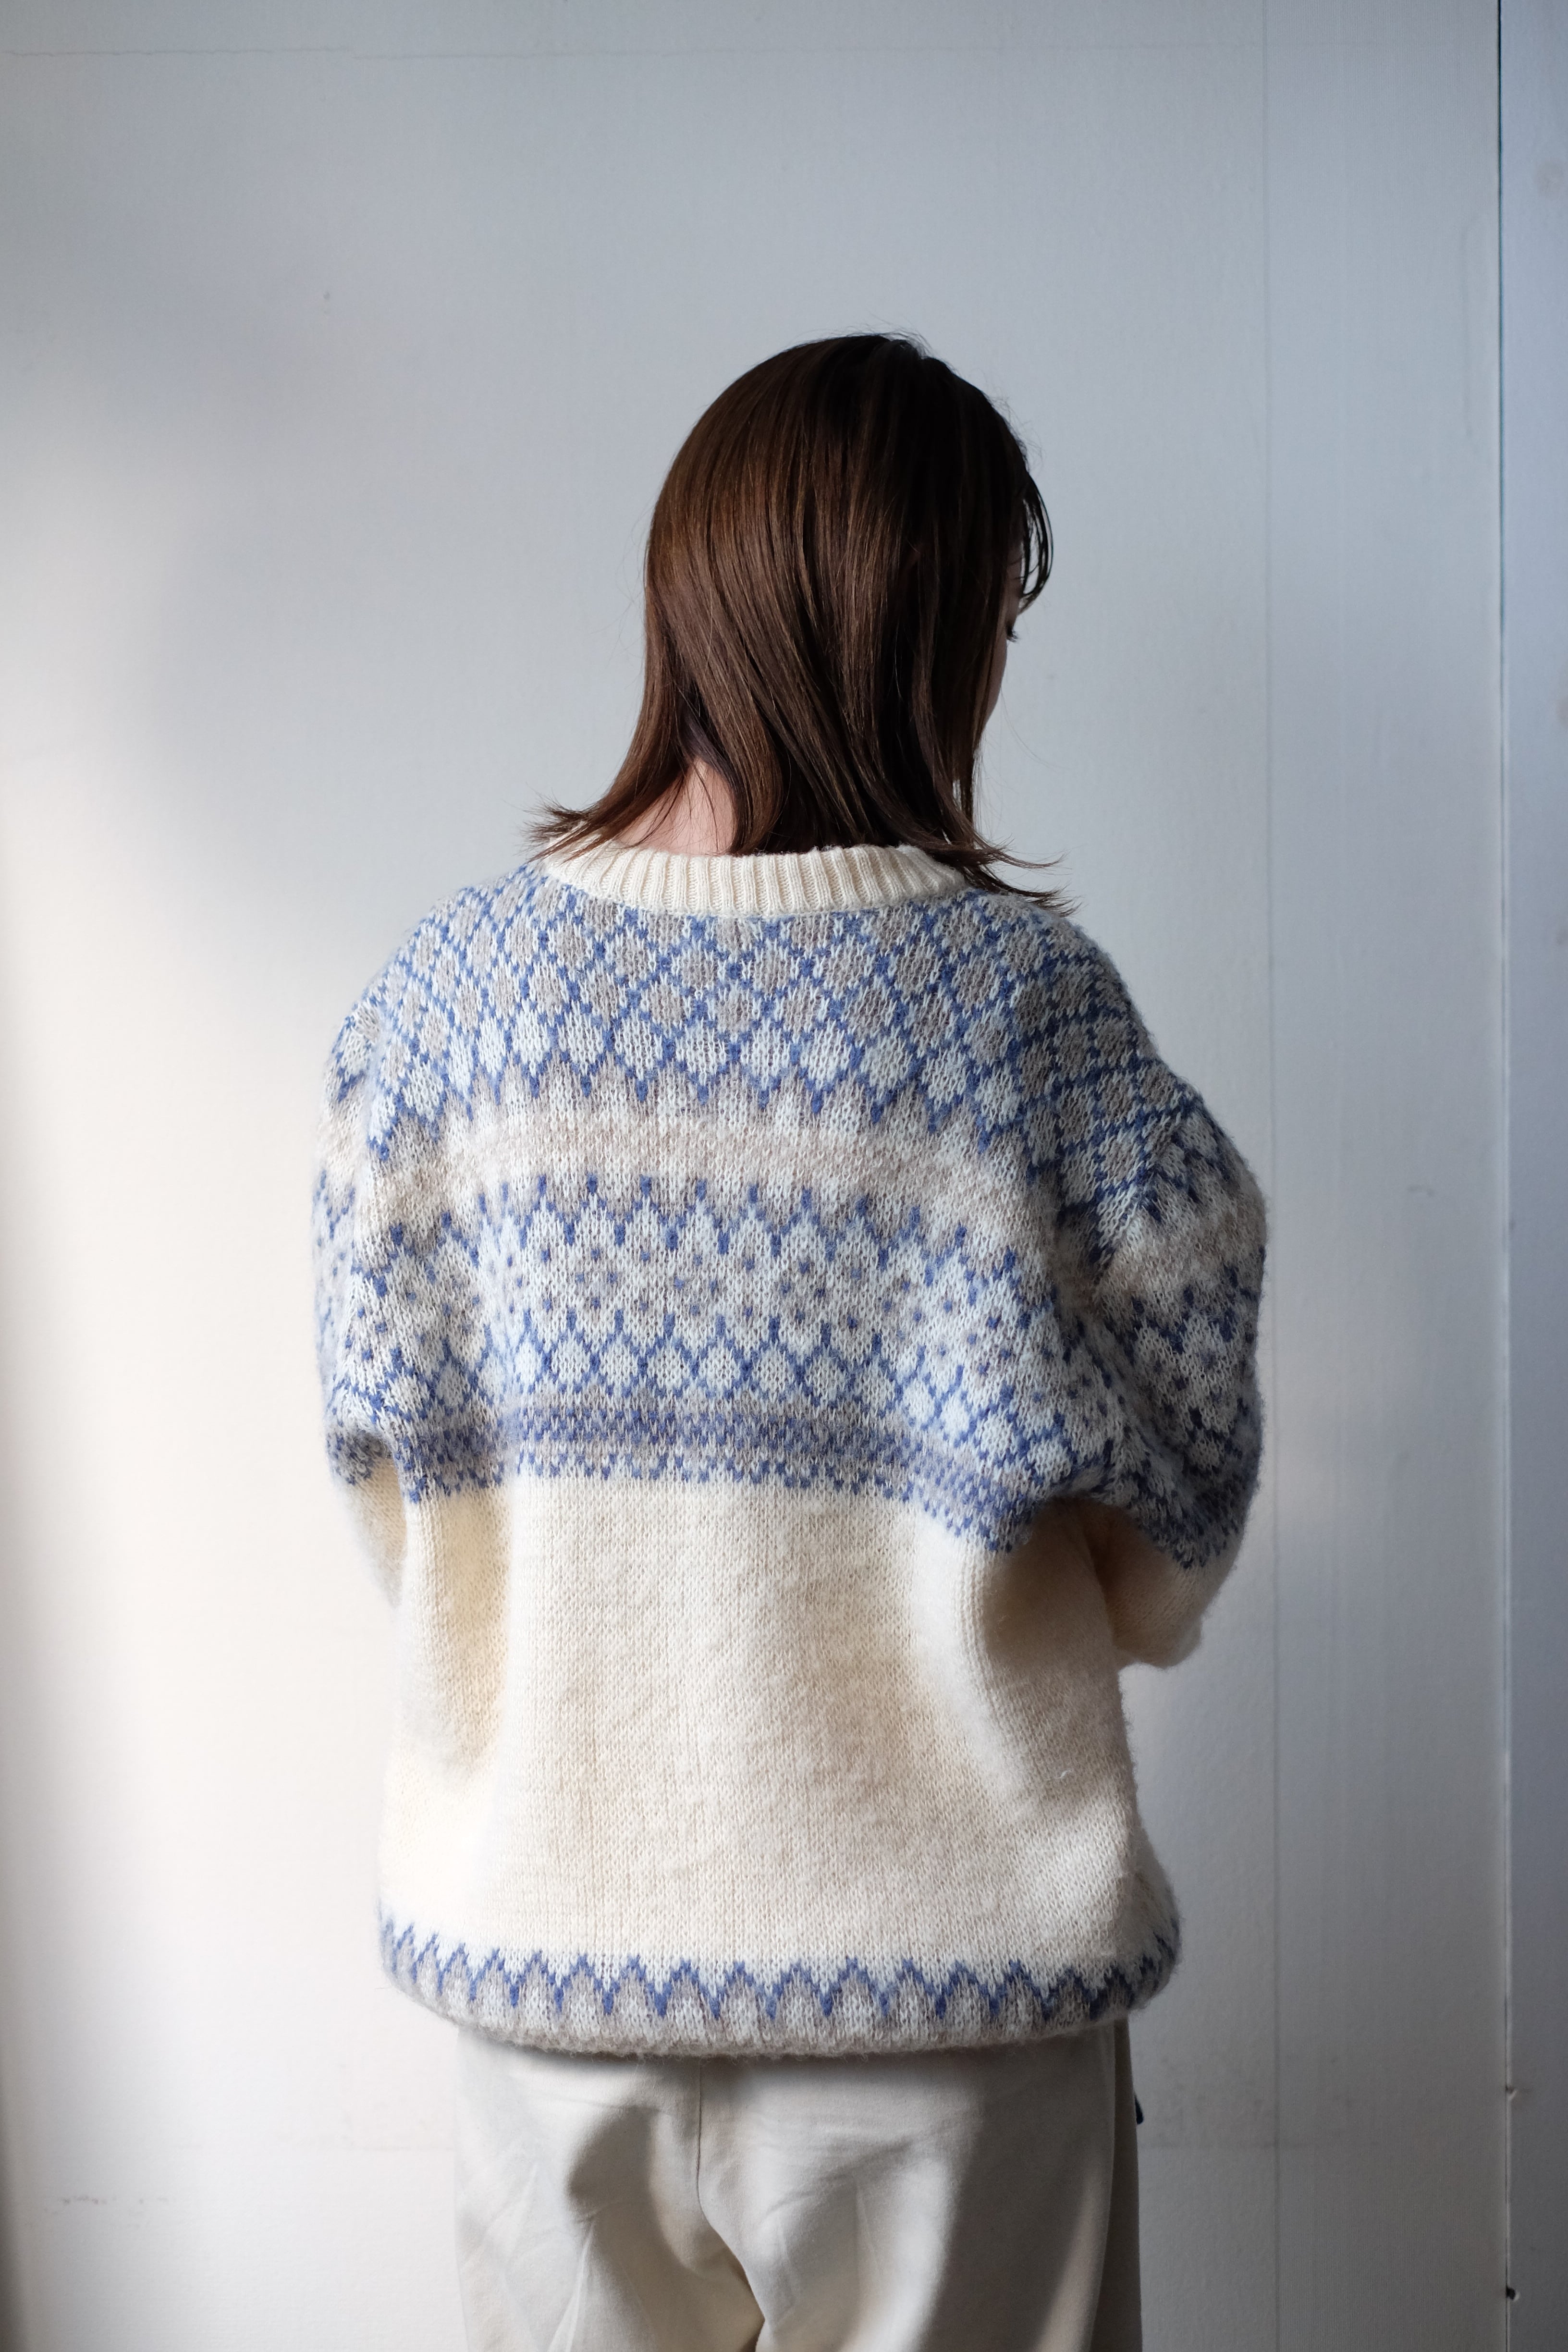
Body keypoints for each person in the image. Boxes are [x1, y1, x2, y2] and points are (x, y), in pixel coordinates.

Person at [312, 334, 1266, 2352]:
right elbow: (1183, 1450)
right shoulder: (1024, 1010)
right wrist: (1086, 1600)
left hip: (549, 1989)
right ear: (930, 625)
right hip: (950, 2009)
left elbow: (402, 1498)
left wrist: (581, 1633)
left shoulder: (443, 1008)